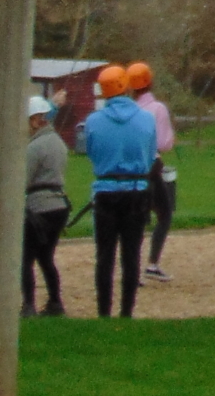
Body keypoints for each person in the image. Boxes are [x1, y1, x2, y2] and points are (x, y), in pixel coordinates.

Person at [78, 65, 158, 319]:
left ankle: (103, 311)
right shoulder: (146, 118)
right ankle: (127, 311)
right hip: (136, 189)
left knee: (104, 255)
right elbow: (151, 151)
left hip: (106, 189)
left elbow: (90, 152)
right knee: (131, 255)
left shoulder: (93, 121)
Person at [127, 63, 178, 280]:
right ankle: (152, 263)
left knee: (138, 217)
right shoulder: (158, 108)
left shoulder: (129, 110)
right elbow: (164, 143)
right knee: (164, 214)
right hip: (152, 167)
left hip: (130, 169)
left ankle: (133, 268)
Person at [22, 95, 69, 317]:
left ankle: (29, 305)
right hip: (58, 205)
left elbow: (23, 180)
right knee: (46, 258)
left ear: (35, 120)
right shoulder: (58, 142)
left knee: (26, 258)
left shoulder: (35, 147)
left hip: (38, 206)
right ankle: (55, 301)